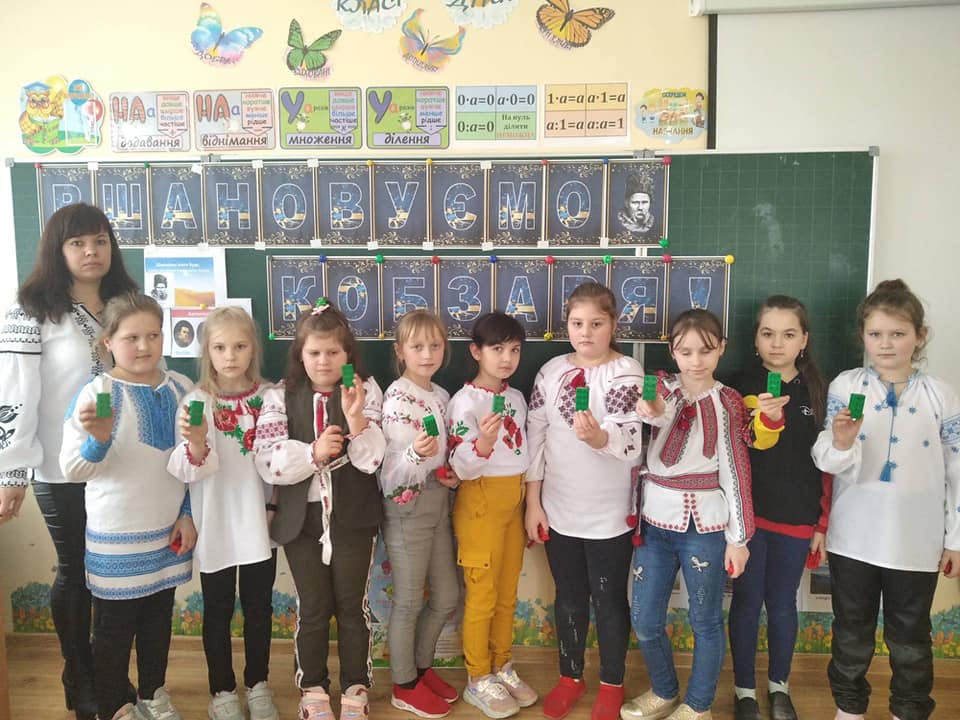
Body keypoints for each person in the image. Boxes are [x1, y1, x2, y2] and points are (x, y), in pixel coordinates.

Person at [0, 202, 138, 720]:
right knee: (77, 570)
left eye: (100, 241)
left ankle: (108, 675)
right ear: (57, 250)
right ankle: (81, 678)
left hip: (120, 464)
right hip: (60, 468)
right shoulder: (31, 311)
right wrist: (11, 471)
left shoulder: (126, 303)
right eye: (77, 243)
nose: (91, 252)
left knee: (113, 574)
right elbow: (14, 396)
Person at [812, 279, 960, 720]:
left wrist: (955, 540)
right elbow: (826, 459)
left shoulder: (940, 395)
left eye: (898, 333)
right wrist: (842, 441)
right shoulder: (847, 386)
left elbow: (957, 470)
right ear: (862, 336)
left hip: (916, 542)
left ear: (920, 336)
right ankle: (849, 709)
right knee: (851, 631)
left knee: (910, 637)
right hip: (853, 538)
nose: (886, 343)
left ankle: (908, 711)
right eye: (876, 334)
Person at [59, 293, 196, 720]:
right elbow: (72, 470)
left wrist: (187, 513)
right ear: (108, 342)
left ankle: (153, 694)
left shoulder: (181, 388)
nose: (143, 346)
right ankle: (115, 705)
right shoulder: (101, 394)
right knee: (114, 632)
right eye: (131, 337)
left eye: (153, 335)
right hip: (116, 539)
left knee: (158, 623)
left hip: (168, 534)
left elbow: (193, 462)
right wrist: (97, 441)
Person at [253, 298, 386, 720]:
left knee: (352, 606)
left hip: (353, 517)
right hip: (302, 521)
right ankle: (312, 688)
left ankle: (355, 687)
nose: (324, 361)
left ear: (348, 355)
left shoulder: (366, 391)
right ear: (300, 355)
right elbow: (267, 460)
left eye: (333, 352)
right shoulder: (280, 395)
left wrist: (356, 420)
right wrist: (313, 453)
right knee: (312, 607)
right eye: (314, 352)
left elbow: (372, 460)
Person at [624, 309, 755, 720]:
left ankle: (699, 705)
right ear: (672, 351)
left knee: (705, 620)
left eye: (705, 350)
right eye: (685, 352)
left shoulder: (729, 402)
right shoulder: (663, 388)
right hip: (655, 522)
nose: (695, 361)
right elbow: (656, 411)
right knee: (644, 619)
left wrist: (739, 538)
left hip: (706, 525)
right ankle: (664, 690)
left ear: (722, 349)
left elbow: (735, 468)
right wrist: (650, 407)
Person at [525, 283, 645, 720]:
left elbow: (630, 439)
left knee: (609, 599)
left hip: (609, 513)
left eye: (596, 323)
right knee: (569, 597)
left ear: (613, 325)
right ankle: (570, 676)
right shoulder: (551, 371)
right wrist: (533, 502)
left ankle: (612, 682)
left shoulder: (626, 371)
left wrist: (598, 438)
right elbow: (535, 436)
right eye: (577, 323)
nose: (586, 332)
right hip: (559, 508)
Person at [167, 307, 280, 720]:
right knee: (217, 610)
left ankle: (258, 684)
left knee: (259, 608)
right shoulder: (196, 402)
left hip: (260, 522)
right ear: (207, 352)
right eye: (220, 347)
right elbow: (187, 470)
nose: (230, 356)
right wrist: (197, 443)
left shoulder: (271, 398)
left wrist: (274, 507)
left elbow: (282, 460)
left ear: (253, 349)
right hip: (214, 521)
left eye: (239, 346)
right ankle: (222, 690)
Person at [727, 296, 831, 720]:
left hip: (797, 518)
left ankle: (779, 687)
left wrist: (822, 523)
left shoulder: (819, 392)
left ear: (804, 340)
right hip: (748, 519)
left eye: (788, 334)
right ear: (755, 339)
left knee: (783, 604)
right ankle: (744, 691)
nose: (776, 343)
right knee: (747, 602)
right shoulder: (736, 387)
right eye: (767, 333)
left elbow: (828, 465)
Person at [448, 312, 535, 719]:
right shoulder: (465, 402)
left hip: (514, 501)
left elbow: (523, 451)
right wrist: (483, 441)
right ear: (476, 351)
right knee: (481, 596)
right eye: (497, 349)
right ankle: (478, 676)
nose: (506, 359)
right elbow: (459, 467)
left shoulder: (516, 398)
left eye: (514, 350)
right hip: (480, 502)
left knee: (506, 592)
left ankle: (502, 664)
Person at [380, 310, 461, 719]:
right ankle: (404, 684)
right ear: (400, 351)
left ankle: (422, 668)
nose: (427, 354)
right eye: (417, 346)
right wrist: (415, 455)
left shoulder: (442, 395)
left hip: (438, 503)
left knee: (447, 596)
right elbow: (390, 473)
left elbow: (443, 455)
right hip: (406, 507)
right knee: (410, 601)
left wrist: (447, 474)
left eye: (435, 345)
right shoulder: (396, 397)